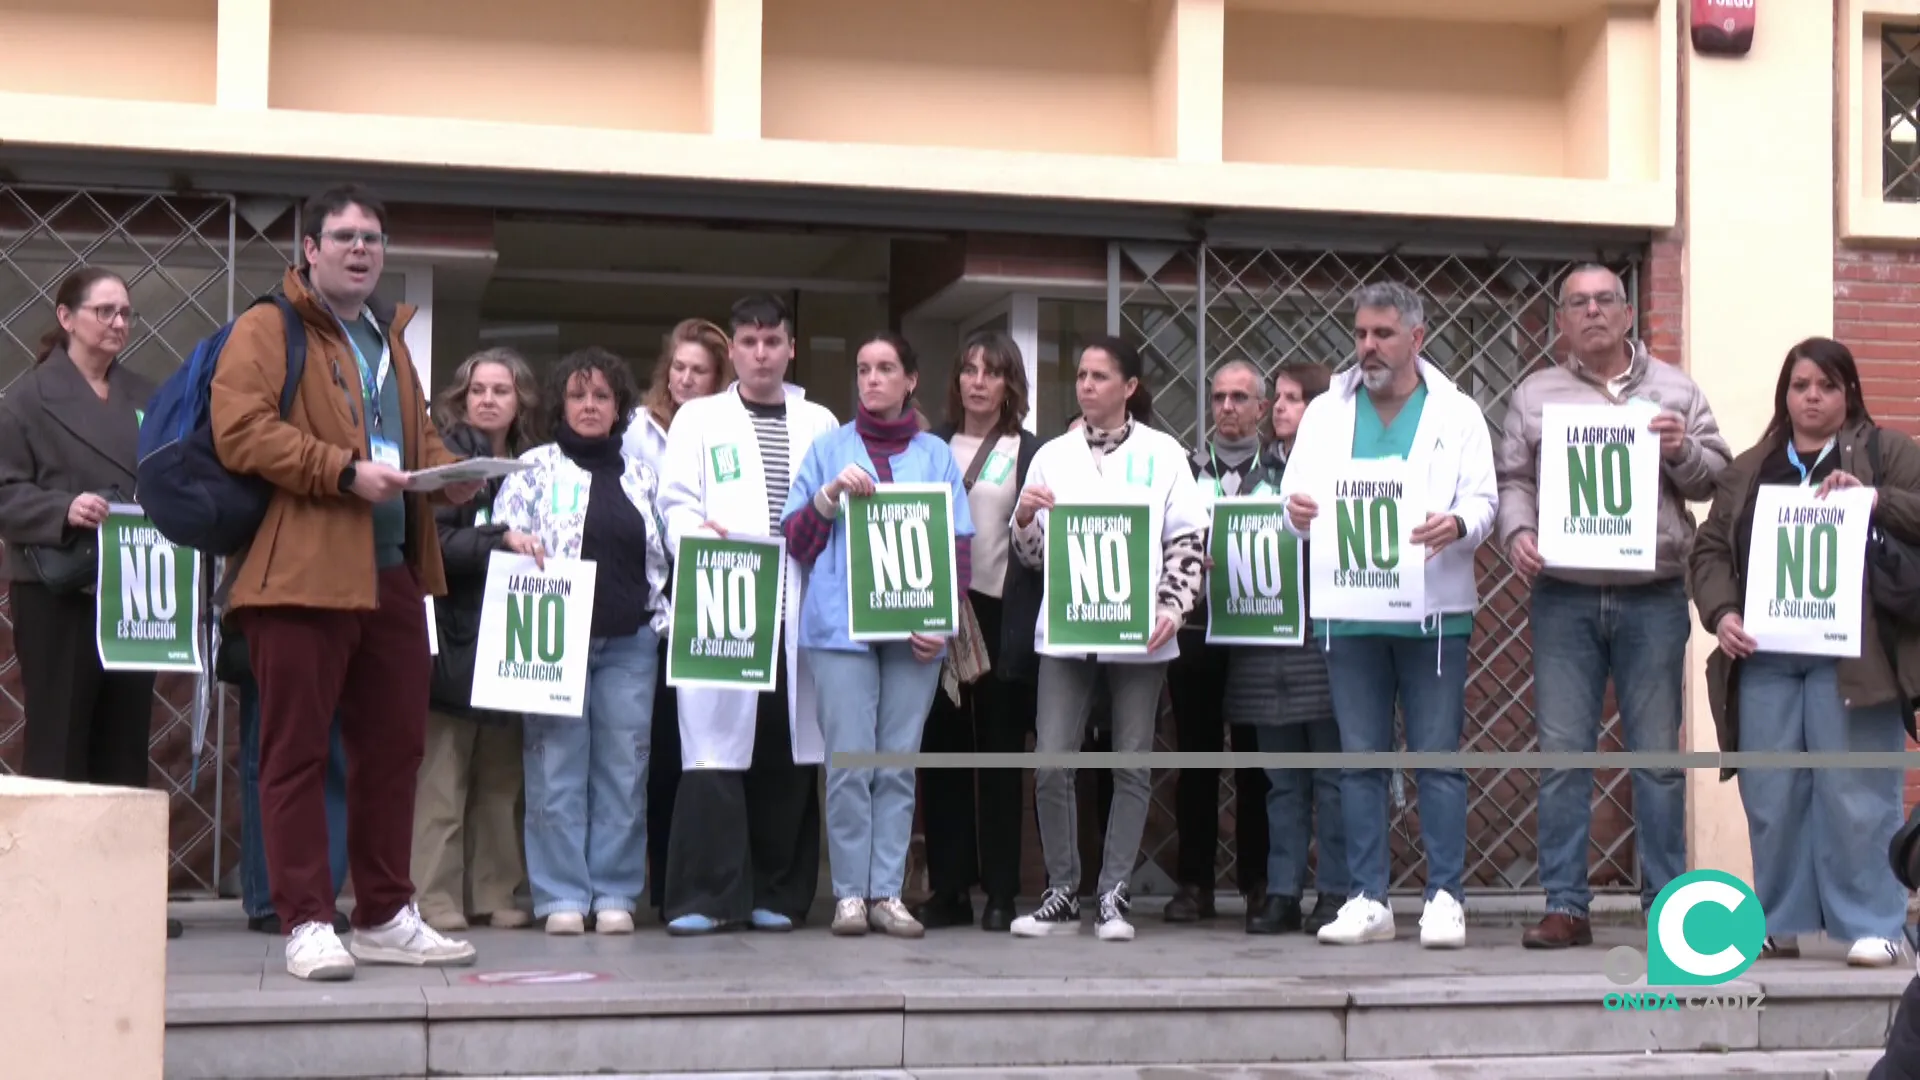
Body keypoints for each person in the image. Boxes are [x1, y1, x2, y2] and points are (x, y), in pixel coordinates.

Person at [209, 183, 484, 980]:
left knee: (395, 751)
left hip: (394, 573)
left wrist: (448, 477)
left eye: (372, 237)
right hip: (298, 575)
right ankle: (303, 920)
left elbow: (416, 437)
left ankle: (386, 914)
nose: (360, 249)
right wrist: (340, 473)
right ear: (311, 249)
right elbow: (242, 432)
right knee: (294, 755)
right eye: (344, 236)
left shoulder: (388, 336)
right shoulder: (268, 327)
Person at [1495, 264, 1732, 948]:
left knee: (1657, 759)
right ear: (1561, 322)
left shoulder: (1675, 390)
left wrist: (1682, 450)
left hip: (1653, 594)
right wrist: (1519, 534)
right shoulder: (1535, 393)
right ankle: (1566, 906)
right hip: (1563, 596)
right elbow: (1512, 478)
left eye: (1605, 301)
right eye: (1577, 303)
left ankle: (1666, 910)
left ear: (1628, 315)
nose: (1592, 312)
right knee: (1564, 755)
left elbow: (1718, 476)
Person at [1277, 281, 1497, 949]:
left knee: (1436, 758)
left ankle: (1444, 897)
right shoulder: (1325, 411)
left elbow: (1484, 503)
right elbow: (1293, 494)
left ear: (1416, 338)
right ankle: (1368, 897)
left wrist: (1456, 523)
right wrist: (1296, 512)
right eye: (1362, 333)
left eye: (1382, 333)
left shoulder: (1457, 413)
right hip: (1350, 609)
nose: (1367, 346)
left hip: (1433, 615)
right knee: (1360, 760)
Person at [1688, 336, 1920, 968]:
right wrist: (1722, 613)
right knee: (1772, 792)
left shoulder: (1887, 453)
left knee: (1857, 790)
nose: (1812, 396)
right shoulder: (1752, 466)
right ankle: (1779, 920)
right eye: (1800, 385)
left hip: (1856, 657)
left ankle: (1874, 922)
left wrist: (1874, 499)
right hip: (1765, 657)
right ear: (1784, 395)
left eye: (1826, 385)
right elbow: (1709, 549)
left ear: (1849, 395)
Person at [1007, 336, 1209, 942]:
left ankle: (1113, 895)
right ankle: (1063, 889)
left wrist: (1173, 608)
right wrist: (1022, 520)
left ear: (1129, 388)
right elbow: (1035, 555)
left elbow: (1188, 539)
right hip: (1068, 630)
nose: (1086, 385)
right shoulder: (1052, 456)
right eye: (1081, 375)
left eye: (1099, 376)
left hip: (1140, 632)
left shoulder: (1164, 454)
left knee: (1130, 761)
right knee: (1051, 763)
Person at [0, 266, 179, 940]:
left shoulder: (144, 395)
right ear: (66, 316)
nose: (118, 323)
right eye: (104, 311)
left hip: (136, 589)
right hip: (59, 588)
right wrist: (60, 506)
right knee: (60, 733)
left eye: (126, 313)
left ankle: (122, 896)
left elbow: (171, 467)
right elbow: (4, 491)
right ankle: (52, 894)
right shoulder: (27, 398)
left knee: (126, 739)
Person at [654, 294, 839, 934]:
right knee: (712, 749)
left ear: (790, 348)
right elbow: (672, 503)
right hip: (722, 596)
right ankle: (704, 896)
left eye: (773, 341)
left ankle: (780, 894)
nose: (762, 353)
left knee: (784, 748)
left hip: (797, 601)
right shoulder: (698, 420)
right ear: (731, 350)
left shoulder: (819, 421)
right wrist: (694, 531)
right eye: (750, 342)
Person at [781, 332, 975, 938]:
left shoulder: (936, 455)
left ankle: (887, 892)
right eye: (863, 369)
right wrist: (832, 493)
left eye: (885, 368)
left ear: (910, 380)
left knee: (895, 764)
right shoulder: (827, 449)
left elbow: (958, 548)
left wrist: (942, 624)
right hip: (842, 631)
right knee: (849, 765)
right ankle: (848, 896)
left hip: (916, 634)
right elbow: (797, 540)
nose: (872, 379)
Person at [493, 347, 672, 935]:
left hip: (630, 642)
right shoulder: (532, 467)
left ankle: (616, 893)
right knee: (554, 768)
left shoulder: (643, 475)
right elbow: (496, 531)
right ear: (560, 404)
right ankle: (561, 896)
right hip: (552, 641)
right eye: (578, 395)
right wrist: (511, 538)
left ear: (618, 407)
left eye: (601, 396)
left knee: (624, 771)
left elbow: (665, 558)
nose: (590, 405)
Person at [411, 346, 543, 932]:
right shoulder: (447, 458)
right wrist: (499, 542)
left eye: (501, 390)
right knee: (442, 780)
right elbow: (433, 545)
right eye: (478, 390)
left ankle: (496, 893)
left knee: (501, 780)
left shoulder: (535, 462)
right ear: (462, 400)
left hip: (516, 641)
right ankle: (434, 898)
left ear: (520, 403)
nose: (488, 400)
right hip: (455, 637)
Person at [916, 330, 1043, 932]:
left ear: (1009, 383)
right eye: (969, 370)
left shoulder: (1030, 450)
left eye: (991, 372)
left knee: (997, 757)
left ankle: (999, 891)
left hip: (999, 616)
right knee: (939, 756)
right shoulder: (929, 445)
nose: (978, 382)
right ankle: (948, 888)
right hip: (939, 614)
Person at [1223, 361, 1347, 935]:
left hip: (1326, 645)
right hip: (1265, 653)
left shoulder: (1342, 470)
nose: (1281, 407)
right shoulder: (1256, 476)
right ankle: (1281, 890)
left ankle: (1337, 891)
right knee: (1281, 781)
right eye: (1280, 398)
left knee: (1333, 778)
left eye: (1296, 399)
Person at [622, 319, 733, 914]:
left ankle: (689, 887)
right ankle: (656, 886)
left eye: (699, 370)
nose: (686, 379)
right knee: (661, 754)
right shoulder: (638, 432)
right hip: (656, 612)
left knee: (707, 753)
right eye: (678, 368)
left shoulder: (727, 429)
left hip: (718, 608)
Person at [1165, 357, 1273, 923]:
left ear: (1262, 407)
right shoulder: (1184, 470)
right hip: (1197, 629)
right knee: (1197, 756)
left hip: (1261, 633)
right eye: (1219, 398)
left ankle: (1259, 882)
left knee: (1258, 761)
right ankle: (1194, 884)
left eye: (1239, 397)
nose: (1227, 407)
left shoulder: (1285, 472)